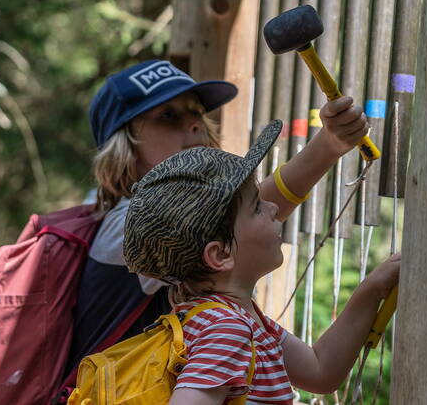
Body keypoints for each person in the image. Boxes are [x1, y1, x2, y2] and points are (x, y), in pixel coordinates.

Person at [66, 59, 376, 375]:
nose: (196, 123)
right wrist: (328, 145)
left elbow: (319, 371)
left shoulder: (220, 308)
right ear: (124, 145)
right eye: (169, 116)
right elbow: (234, 216)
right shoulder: (126, 226)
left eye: (197, 111)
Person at [123, 121, 401, 404]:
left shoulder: (238, 320)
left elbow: (320, 371)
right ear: (220, 255)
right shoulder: (226, 329)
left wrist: (373, 287)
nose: (273, 207)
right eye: (256, 206)